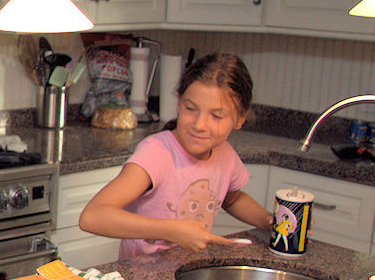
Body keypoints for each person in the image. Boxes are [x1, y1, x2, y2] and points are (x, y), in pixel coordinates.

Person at [79, 53, 272, 260]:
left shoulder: (226, 155)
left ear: (239, 118)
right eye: (191, 109)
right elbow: (93, 216)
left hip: (184, 272)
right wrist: (172, 231)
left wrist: (268, 221)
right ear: (179, 103)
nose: (199, 125)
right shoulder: (156, 154)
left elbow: (232, 199)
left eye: (216, 116)